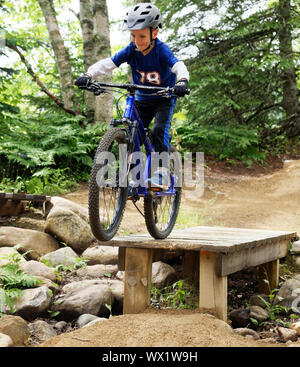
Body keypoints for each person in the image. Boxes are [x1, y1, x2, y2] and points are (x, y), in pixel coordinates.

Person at [75, 2, 189, 190]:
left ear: (154, 33)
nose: (137, 41)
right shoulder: (132, 50)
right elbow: (108, 63)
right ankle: (134, 174)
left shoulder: (161, 50)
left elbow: (178, 65)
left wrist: (182, 81)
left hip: (163, 99)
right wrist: (89, 75)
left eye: (142, 36)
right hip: (142, 100)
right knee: (131, 134)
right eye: (133, 36)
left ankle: (162, 173)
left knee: (160, 130)